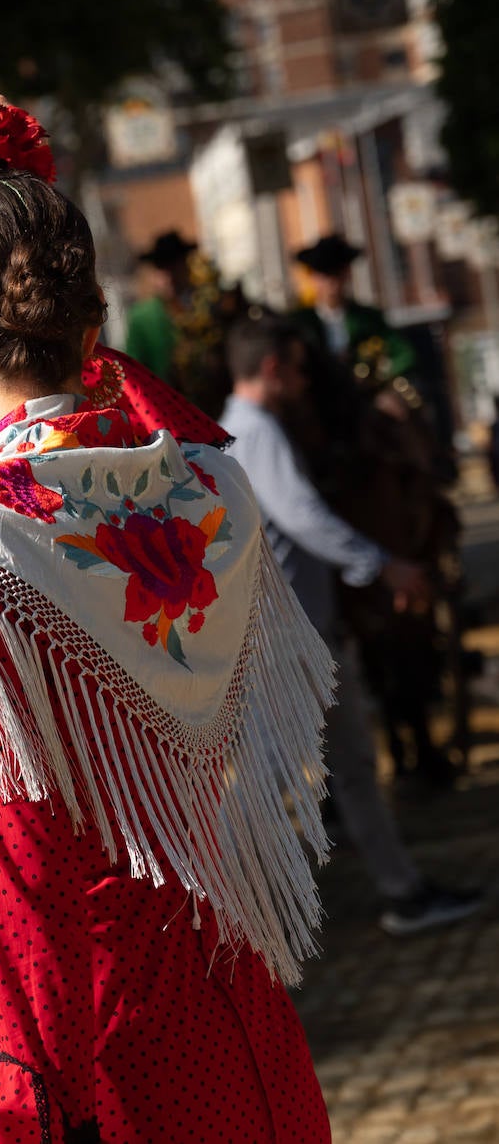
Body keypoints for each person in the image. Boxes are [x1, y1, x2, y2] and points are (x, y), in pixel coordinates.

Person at [0, 102, 335, 1141]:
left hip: (112, 1067)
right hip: (252, 1025)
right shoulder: (207, 484)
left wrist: (15, 1116)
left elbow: (20, 894)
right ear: (88, 322)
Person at [220, 312, 483, 938]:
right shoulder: (257, 432)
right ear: (273, 368)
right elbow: (303, 515)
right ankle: (204, 913)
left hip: (298, 633)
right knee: (267, 777)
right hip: (290, 639)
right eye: (298, 369)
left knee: (347, 768)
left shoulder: (240, 431)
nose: (305, 381)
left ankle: (403, 891)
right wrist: (382, 565)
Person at [290, 232, 417, 387]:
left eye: (337, 274)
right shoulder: (300, 322)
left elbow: (403, 354)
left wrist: (379, 377)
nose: (332, 283)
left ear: (346, 275)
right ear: (313, 278)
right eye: (325, 275)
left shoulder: (367, 317)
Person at [122, 228, 192, 381]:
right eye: (162, 268)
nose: (169, 276)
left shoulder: (204, 305)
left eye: (174, 265)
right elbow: (133, 370)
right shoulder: (142, 317)